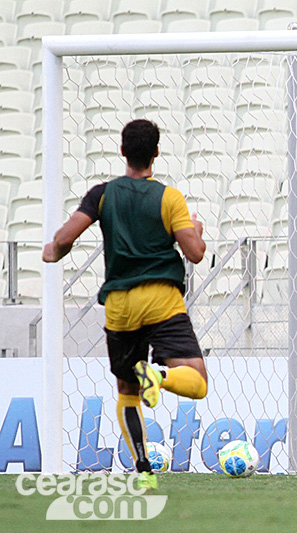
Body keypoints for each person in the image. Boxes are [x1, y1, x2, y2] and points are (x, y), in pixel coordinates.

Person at [43, 119, 208, 490]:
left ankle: (143, 470)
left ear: (122, 151)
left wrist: (53, 251)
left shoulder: (102, 194)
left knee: (126, 390)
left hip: (119, 306)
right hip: (161, 300)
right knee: (197, 381)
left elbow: (64, 239)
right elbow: (195, 253)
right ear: (156, 153)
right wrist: (196, 232)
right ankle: (159, 376)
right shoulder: (169, 197)